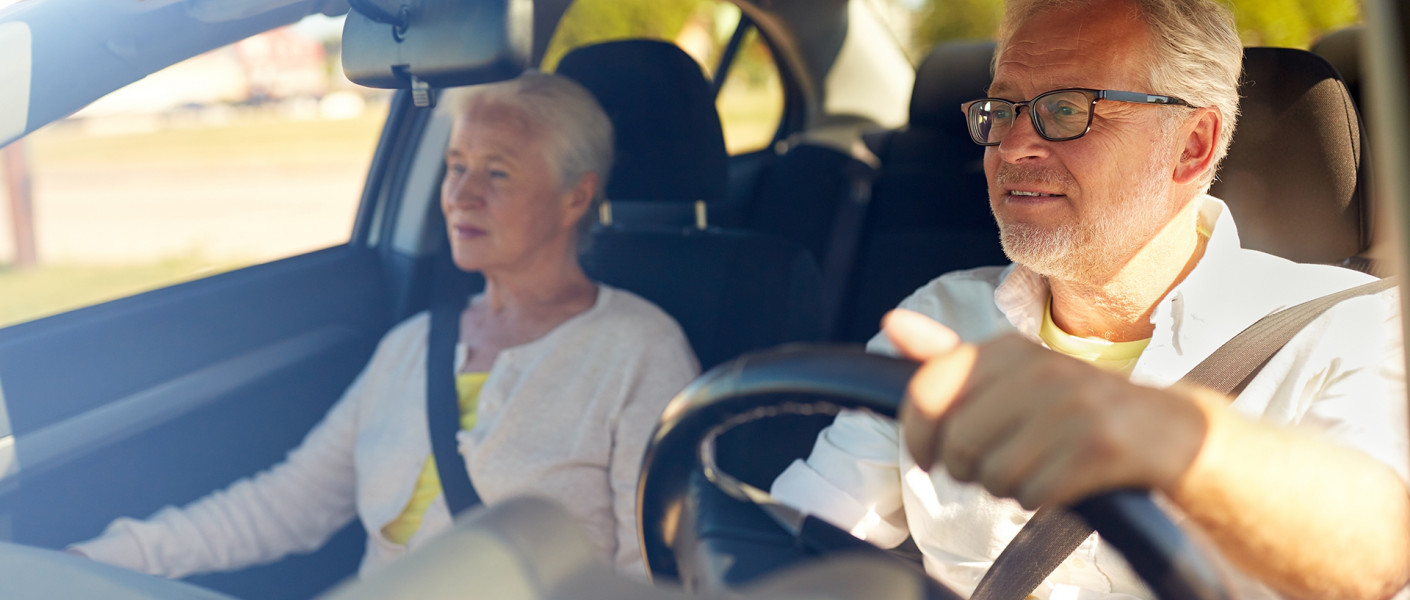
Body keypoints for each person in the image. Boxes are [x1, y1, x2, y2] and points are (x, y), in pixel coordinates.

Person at [770, 0, 1409, 598]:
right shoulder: (939, 321)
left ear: (1193, 146)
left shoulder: (1351, 326)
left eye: (1068, 109)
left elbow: (1379, 548)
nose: (1014, 146)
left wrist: (1167, 437)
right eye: (1002, 110)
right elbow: (793, 546)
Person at [69, 72, 700, 579]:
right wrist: (102, 560)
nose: (460, 194)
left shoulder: (639, 350)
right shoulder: (414, 345)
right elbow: (287, 505)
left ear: (575, 196)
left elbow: (646, 574)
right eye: (457, 165)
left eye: (498, 172)